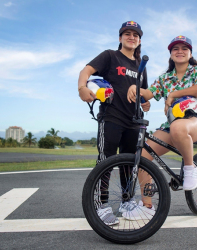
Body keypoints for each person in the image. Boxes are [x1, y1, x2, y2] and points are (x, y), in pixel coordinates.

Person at [124, 35, 197, 220]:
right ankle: (147, 206)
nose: (179, 51)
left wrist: (174, 94)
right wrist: (135, 90)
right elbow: (149, 93)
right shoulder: (165, 78)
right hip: (171, 125)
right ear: (171, 54)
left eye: (184, 48)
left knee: (179, 127)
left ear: (190, 52)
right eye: (175, 48)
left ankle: (190, 169)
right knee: (142, 157)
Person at [78, 21, 150, 225]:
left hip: (134, 122)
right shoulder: (110, 56)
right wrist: (81, 88)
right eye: (127, 34)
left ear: (139, 40)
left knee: (129, 164)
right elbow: (86, 71)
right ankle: (101, 205)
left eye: (135, 35)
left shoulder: (141, 67)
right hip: (111, 117)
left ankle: (127, 203)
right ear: (120, 38)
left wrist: (145, 103)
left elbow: (143, 93)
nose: (131, 37)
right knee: (106, 162)